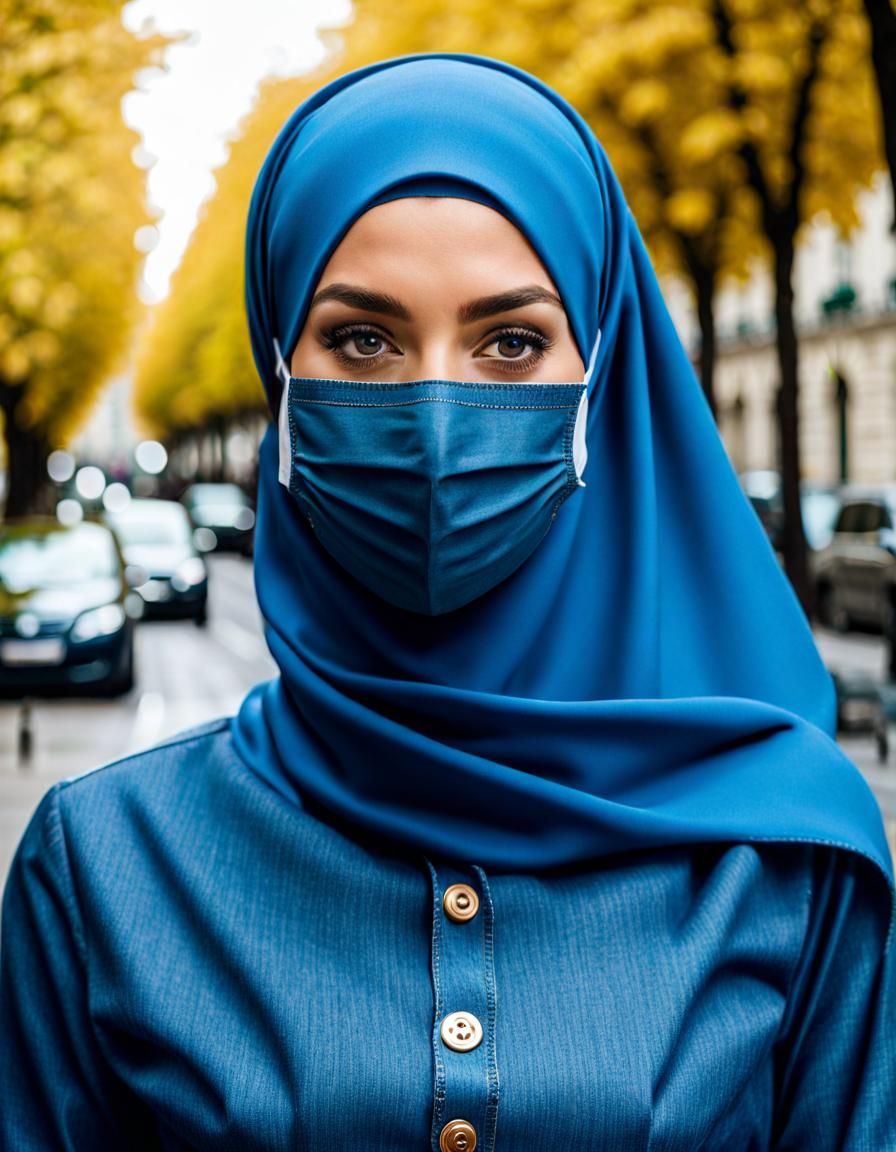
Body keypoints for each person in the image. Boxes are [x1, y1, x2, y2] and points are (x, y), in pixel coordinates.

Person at [1, 52, 894, 1152]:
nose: (433, 419)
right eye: (362, 340)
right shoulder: (101, 867)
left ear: (596, 382)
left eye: (511, 342)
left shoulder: (791, 859)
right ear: (280, 369)